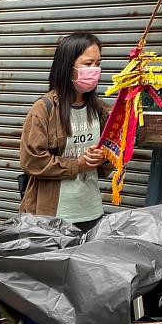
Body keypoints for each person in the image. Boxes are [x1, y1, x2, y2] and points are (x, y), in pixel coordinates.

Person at [19, 32, 112, 232]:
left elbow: (108, 165)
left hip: (91, 212)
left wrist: (102, 157)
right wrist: (77, 164)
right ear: (68, 66)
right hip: (52, 216)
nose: (95, 70)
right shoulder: (44, 110)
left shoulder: (102, 111)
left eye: (98, 63)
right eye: (88, 64)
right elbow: (32, 161)